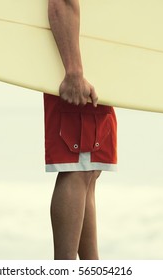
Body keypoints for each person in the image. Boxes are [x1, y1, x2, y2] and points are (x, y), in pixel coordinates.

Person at [45, 0, 118, 260]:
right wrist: (74, 70)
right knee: (77, 166)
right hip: (77, 65)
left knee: (90, 168)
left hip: (93, 62)